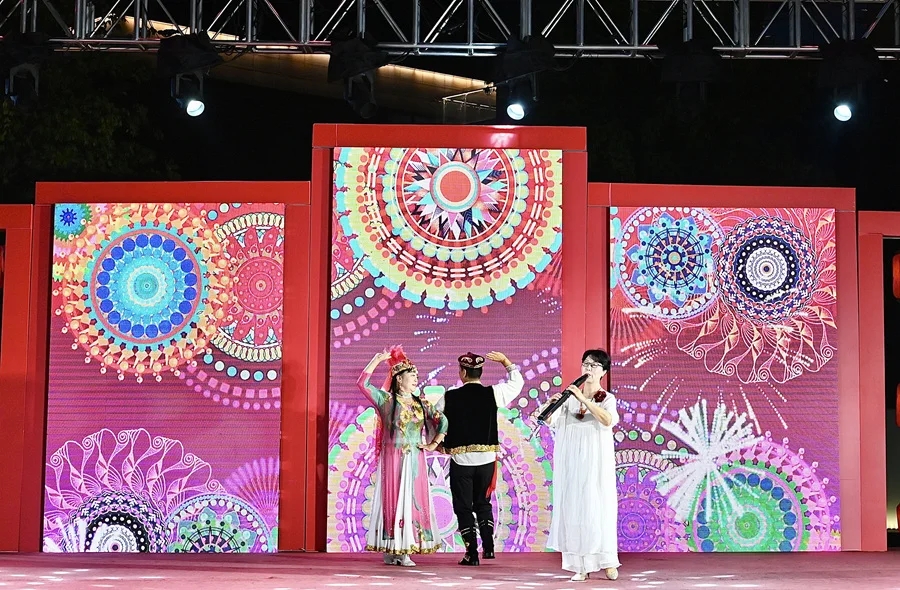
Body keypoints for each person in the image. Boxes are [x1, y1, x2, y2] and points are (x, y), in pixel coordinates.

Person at [357, 345, 449, 566]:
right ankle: (393, 548)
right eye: (412, 375)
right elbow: (362, 384)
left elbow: (443, 421)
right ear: (399, 379)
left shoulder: (420, 403)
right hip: (393, 458)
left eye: (417, 375)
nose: (416, 379)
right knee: (393, 499)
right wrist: (377, 360)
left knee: (412, 500)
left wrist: (433, 443)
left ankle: (405, 548)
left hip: (415, 459)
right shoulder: (386, 401)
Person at [538, 348, 620, 582]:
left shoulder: (607, 399)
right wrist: (552, 405)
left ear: (603, 372)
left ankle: (607, 561)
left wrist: (583, 399)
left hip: (596, 464)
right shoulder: (569, 397)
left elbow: (607, 420)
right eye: (586, 364)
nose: (588, 369)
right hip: (572, 464)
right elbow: (550, 421)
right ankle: (580, 566)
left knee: (597, 510)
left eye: (594, 365)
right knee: (574, 510)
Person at [440, 351, 524, 566]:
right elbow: (517, 384)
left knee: (463, 507)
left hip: (461, 461)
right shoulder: (493, 393)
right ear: (481, 372)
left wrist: (437, 444)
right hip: (486, 461)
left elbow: (435, 420)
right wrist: (506, 361)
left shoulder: (450, 396)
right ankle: (488, 547)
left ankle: (471, 553)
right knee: (483, 503)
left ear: (463, 372)